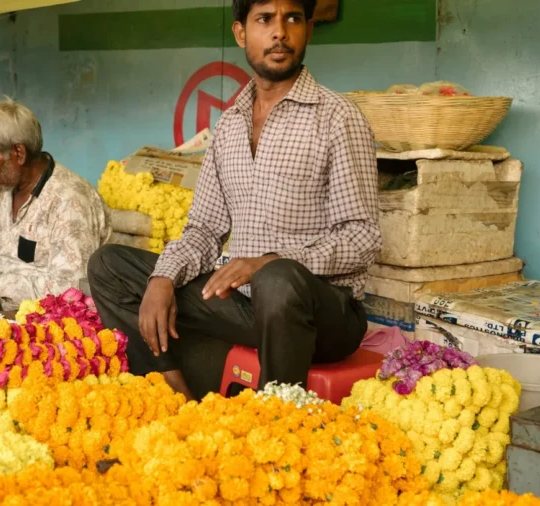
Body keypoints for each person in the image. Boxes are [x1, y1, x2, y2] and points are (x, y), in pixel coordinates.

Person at [89, 0, 382, 400]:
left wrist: (268, 263)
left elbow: (363, 238)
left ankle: (274, 421)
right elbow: (204, 231)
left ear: (308, 29)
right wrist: (162, 278)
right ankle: (173, 388)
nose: (279, 32)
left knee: (277, 280)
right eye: (265, 20)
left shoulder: (337, 117)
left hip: (322, 314)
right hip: (246, 307)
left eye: (292, 19)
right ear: (241, 33)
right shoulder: (229, 125)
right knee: (109, 265)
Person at [0, 98, 110, 312]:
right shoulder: (8, 188)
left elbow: (71, 291)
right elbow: (1, 254)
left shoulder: (69, 201)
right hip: (7, 307)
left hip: (54, 322)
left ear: (18, 153)